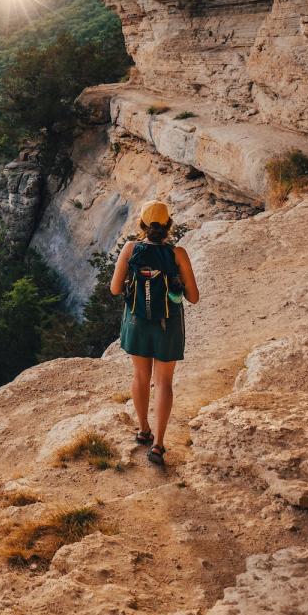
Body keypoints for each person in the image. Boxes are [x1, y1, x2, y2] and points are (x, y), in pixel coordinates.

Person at [109, 199, 199, 466]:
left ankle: (143, 430)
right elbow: (193, 297)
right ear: (168, 224)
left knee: (140, 376)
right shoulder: (177, 253)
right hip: (168, 323)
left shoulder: (130, 248)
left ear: (143, 224)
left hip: (137, 321)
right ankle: (158, 445)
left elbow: (115, 289)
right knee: (164, 383)